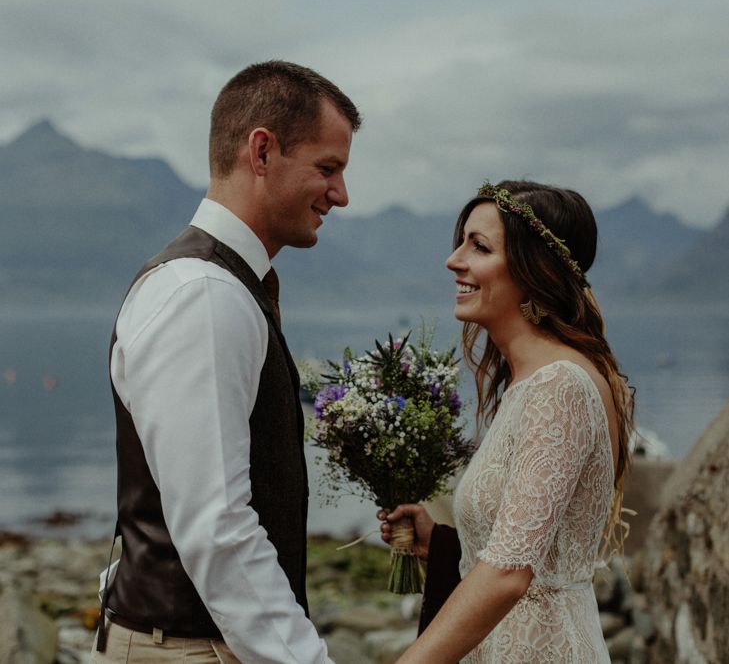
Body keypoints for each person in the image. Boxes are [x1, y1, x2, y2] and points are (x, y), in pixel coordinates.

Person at [92, 61, 361, 663]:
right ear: (261, 151)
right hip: (190, 650)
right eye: (328, 168)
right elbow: (217, 526)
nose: (341, 194)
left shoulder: (226, 286)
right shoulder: (205, 296)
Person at [379, 180, 634, 663]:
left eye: (479, 247)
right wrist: (439, 541)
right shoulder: (528, 382)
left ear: (533, 268)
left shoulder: (559, 386)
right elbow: (524, 545)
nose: (454, 261)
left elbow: (509, 572)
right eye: (461, 243)